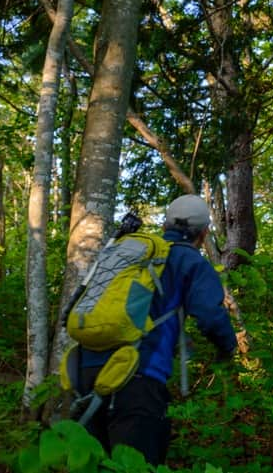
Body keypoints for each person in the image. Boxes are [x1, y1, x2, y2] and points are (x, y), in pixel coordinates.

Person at [78, 195, 238, 465]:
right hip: (137, 378)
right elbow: (210, 316)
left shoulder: (135, 253)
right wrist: (228, 348)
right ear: (204, 233)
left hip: (84, 370)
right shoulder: (191, 262)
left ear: (165, 226)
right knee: (139, 466)